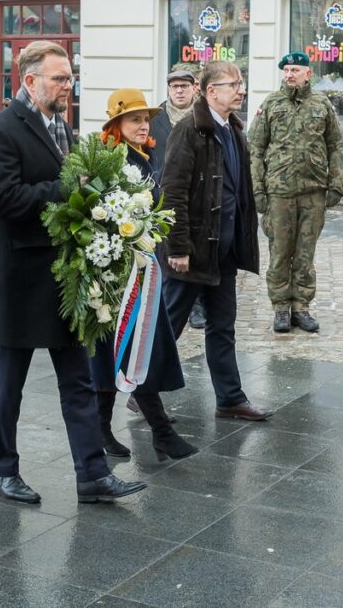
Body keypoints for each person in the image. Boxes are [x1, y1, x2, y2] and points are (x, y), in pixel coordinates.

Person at [0, 40, 147, 504]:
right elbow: (5, 201)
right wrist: (72, 187)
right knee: (9, 386)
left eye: (70, 78)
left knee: (77, 380)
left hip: (66, 278)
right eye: (59, 78)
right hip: (22, 279)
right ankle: (3, 470)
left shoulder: (63, 129)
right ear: (29, 81)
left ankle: (92, 474)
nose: (67, 86)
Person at [161, 60, 273, 421]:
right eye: (233, 84)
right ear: (211, 91)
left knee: (222, 327)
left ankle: (229, 399)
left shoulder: (234, 130)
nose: (240, 90)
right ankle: (141, 392)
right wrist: (178, 246)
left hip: (222, 252)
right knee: (168, 326)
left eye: (241, 84)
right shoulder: (189, 129)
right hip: (191, 253)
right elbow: (172, 191)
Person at [90, 88, 197, 461]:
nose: (143, 124)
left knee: (127, 351)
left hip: (143, 269)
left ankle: (106, 429)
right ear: (116, 125)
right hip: (120, 277)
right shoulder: (112, 161)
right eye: (134, 118)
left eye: (146, 118)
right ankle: (159, 432)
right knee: (131, 349)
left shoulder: (145, 156)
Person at [248, 51, 343, 334]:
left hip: (313, 191)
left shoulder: (322, 104)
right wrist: (258, 189)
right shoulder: (271, 103)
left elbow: (335, 146)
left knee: (305, 253)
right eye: (286, 70)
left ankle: (301, 306)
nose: (289, 75)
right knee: (279, 251)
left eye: (295, 70)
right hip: (279, 191)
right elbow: (255, 148)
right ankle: (280, 308)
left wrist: (337, 183)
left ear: (308, 74)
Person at [149, 65, 208, 333]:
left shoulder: (203, 117)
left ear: (195, 87)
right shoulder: (155, 120)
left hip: (195, 196)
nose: (180, 90)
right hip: (159, 195)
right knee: (163, 251)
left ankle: (196, 305)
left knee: (191, 248)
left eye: (185, 85)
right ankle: (162, 301)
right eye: (175, 86)